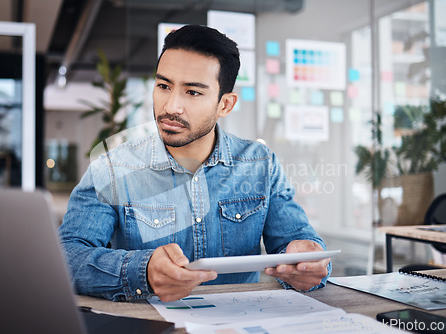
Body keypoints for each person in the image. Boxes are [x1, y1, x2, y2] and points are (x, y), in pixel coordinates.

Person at [59, 24, 331, 303]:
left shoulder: (261, 164)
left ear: (225, 104)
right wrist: (142, 271)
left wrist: (309, 262)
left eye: (192, 92)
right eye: (164, 86)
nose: (171, 106)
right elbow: (66, 255)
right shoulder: (113, 168)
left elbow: (299, 243)